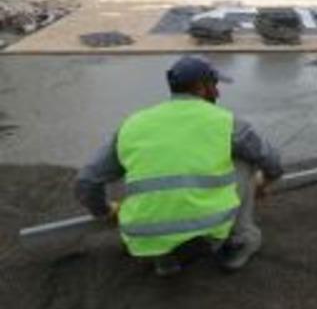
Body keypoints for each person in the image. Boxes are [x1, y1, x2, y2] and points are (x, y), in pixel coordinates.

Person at [75, 56, 284, 276]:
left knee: (148, 165)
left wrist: (105, 211)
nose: (218, 93)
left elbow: (86, 181)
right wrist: (262, 184)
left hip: (142, 237)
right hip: (207, 235)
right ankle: (240, 241)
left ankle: (165, 259)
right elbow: (273, 162)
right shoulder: (226, 122)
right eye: (214, 85)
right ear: (201, 87)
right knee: (246, 157)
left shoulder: (133, 124)